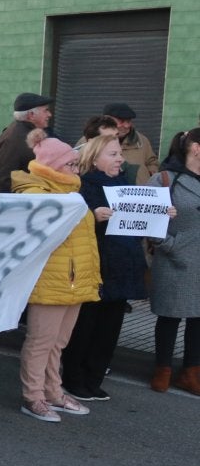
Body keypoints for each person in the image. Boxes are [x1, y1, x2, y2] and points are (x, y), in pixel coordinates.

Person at [61, 134, 160, 401]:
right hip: (97, 265)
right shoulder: (85, 186)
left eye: (119, 154)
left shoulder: (123, 184)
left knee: (110, 327)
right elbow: (70, 224)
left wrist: (161, 213)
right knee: (86, 325)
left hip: (122, 265)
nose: (121, 159)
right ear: (94, 158)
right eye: (114, 154)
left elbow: (139, 219)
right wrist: (92, 216)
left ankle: (93, 377)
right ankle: (74, 378)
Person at [11, 129, 101, 422]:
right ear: (52, 166)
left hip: (73, 279)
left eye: (76, 165)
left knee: (58, 342)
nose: (76, 170)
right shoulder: (37, 193)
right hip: (49, 279)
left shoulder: (69, 191)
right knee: (40, 341)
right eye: (70, 165)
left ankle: (53, 391)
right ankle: (33, 396)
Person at [145, 127, 200, 394]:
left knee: (199, 319)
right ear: (196, 148)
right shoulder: (165, 179)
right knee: (169, 316)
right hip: (174, 259)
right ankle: (163, 369)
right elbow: (146, 219)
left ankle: (191, 372)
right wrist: (168, 244)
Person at [0, 93, 53, 193]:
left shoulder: (23, 133)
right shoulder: (15, 139)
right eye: (46, 110)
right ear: (31, 115)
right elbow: (1, 178)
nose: (49, 115)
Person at [104, 102, 160, 182]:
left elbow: (152, 161)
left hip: (139, 191)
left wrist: (151, 173)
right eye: (121, 121)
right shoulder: (91, 140)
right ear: (107, 120)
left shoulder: (142, 140)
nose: (126, 126)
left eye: (129, 121)